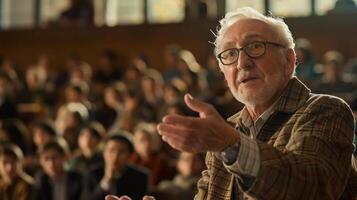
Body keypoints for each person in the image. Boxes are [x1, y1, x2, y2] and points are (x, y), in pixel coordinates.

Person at [110, 7, 356, 200]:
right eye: (230, 54)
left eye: (256, 46)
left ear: (289, 60)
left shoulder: (325, 110)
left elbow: (310, 190)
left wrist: (231, 144)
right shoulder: (227, 130)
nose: (242, 63)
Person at [83, 133, 148, 200]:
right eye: (111, 150)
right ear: (104, 153)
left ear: (129, 155)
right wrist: (106, 181)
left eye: (121, 151)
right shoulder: (92, 174)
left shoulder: (140, 176)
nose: (115, 156)